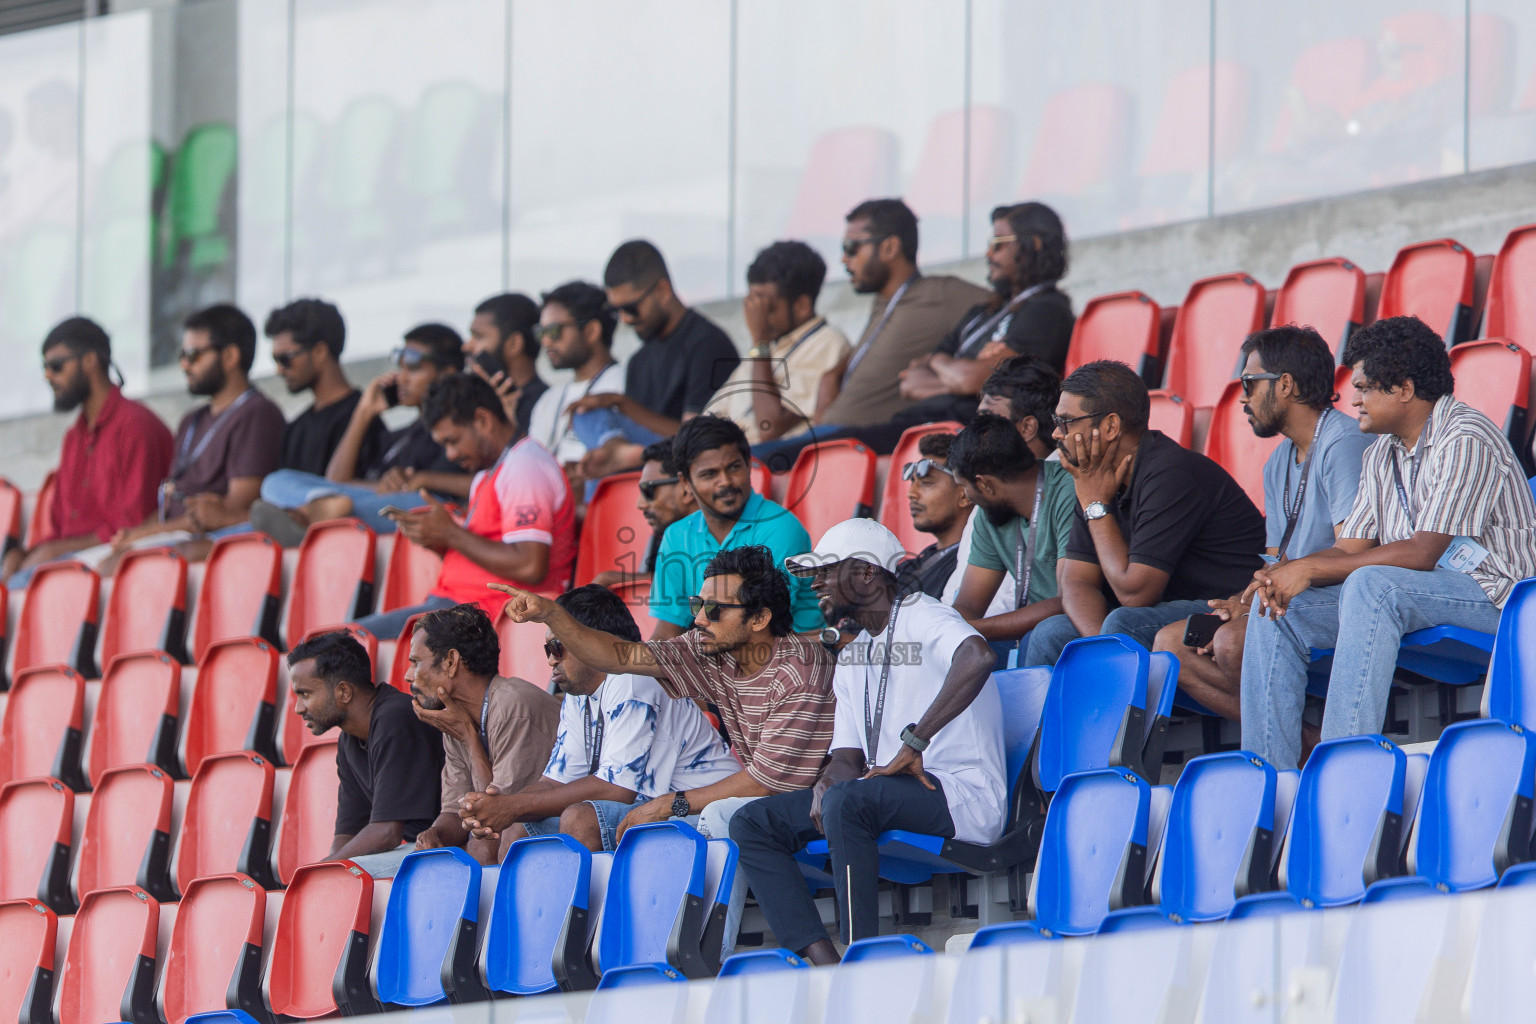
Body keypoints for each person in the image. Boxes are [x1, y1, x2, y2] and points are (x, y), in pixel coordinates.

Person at [1242, 316, 1536, 770]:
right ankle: (1268, 779)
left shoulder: (1465, 436)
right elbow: (1349, 550)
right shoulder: (1384, 451)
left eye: (1363, 387)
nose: (1352, 399)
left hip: (1500, 597)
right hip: (1426, 591)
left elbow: (1422, 553)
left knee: (1373, 585)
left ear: (1402, 389)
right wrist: (1284, 573)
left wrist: (1309, 569)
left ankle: (1346, 764)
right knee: (1276, 608)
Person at [730, 518, 1000, 963]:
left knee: (847, 802)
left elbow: (978, 655)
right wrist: (824, 782)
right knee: (752, 823)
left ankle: (863, 957)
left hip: (959, 794)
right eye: (812, 574)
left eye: (825, 571)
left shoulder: (923, 613)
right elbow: (847, 761)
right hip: (882, 793)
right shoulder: (854, 654)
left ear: (867, 573)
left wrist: (914, 742)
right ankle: (825, 965)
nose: (815, 583)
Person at [489, 543, 836, 843]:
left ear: (759, 618)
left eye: (714, 610)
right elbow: (617, 656)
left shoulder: (797, 671)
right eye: (697, 605)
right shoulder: (711, 651)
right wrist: (552, 613)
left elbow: (765, 783)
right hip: (749, 803)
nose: (700, 619)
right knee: (521, 831)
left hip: (810, 806)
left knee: (597, 819)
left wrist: (671, 802)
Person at [1151, 326, 1372, 730]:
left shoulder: (1343, 443)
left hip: (1341, 595)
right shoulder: (1276, 463)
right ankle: (1305, 744)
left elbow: (1355, 550)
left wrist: (1258, 600)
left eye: (1250, 383)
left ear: (1285, 384)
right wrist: (1240, 600)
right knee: (1171, 645)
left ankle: (1291, 750)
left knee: (1233, 642)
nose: (1243, 397)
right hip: (1289, 595)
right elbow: (1278, 560)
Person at [454, 585, 736, 854]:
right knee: (516, 831)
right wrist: (500, 806)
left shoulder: (634, 678)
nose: (551, 661)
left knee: (582, 819)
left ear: (588, 641)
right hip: (655, 807)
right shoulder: (579, 693)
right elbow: (554, 782)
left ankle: (583, 907)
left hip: (707, 812)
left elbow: (617, 789)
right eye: (548, 650)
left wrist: (514, 806)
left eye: (557, 647)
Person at [1024, 360, 1266, 667]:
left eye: (1066, 422)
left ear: (1110, 426)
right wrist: (1101, 645)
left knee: (1123, 624)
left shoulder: (1170, 472)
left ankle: (1128, 714)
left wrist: (1095, 506)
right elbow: (1075, 582)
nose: (1057, 435)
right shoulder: (1093, 477)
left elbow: (1135, 594)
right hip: (1159, 609)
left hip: (1228, 606)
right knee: (1050, 633)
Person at [752, 198, 990, 469]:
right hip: (827, 434)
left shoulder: (940, 292)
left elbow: (1009, 305)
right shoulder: (882, 301)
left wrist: (994, 355)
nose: (844, 258)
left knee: (749, 463)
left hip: (858, 440)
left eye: (852, 248)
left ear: (889, 247)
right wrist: (833, 376)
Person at [353, 372, 576, 640]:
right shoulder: (488, 473)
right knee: (334, 643)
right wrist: (439, 542)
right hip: (457, 609)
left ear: (482, 420)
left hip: (486, 619)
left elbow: (530, 566)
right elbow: (482, 552)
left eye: (453, 441)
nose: (450, 455)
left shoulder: (525, 466)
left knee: (340, 646)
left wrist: (451, 534)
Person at [249, 323, 470, 541]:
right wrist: (364, 412)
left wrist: (423, 479)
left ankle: (307, 516)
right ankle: (314, 511)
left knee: (348, 510)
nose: (401, 377)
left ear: (448, 374)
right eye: (400, 368)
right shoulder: (399, 435)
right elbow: (337, 481)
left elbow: (478, 483)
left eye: (413, 368)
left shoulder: (461, 426)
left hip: (428, 508)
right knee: (275, 481)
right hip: (373, 504)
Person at [106, 304, 286, 570]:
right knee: (106, 563)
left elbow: (232, 509)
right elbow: (173, 504)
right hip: (176, 536)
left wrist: (145, 535)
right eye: (182, 354)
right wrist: (136, 533)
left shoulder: (257, 413)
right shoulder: (192, 420)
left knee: (114, 568)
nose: (184, 364)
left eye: (193, 355)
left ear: (230, 356)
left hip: (212, 540)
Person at [4, 317, 172, 585]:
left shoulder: (136, 426)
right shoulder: (74, 437)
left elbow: (136, 524)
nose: (48, 376)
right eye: (45, 368)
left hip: (117, 558)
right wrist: (24, 554)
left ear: (90, 361)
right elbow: (59, 529)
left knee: (22, 585)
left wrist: (54, 552)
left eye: (56, 366)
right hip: (72, 561)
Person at [402, 604, 560, 865]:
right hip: (508, 833)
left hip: (549, 832)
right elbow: (454, 812)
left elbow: (497, 820)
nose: (409, 676)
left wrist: (469, 738)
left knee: (481, 846)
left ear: (451, 662)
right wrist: (434, 834)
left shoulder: (513, 708)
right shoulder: (455, 717)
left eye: (417, 662)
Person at [896, 203, 1075, 426]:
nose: (989, 253)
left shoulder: (1047, 311)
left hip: (973, 430)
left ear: (1033, 245)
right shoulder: (983, 311)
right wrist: (952, 373)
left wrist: (943, 367)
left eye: (997, 243)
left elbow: (968, 379)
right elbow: (909, 382)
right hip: (924, 420)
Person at [573, 241, 741, 478]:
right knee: (586, 412)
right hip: (645, 466)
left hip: (689, 466)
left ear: (662, 290)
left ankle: (619, 461)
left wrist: (622, 404)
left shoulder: (708, 344)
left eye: (630, 308)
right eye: (615, 311)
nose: (625, 320)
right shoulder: (638, 361)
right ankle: (615, 456)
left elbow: (698, 440)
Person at [648, 414, 822, 639]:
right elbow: (668, 631)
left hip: (789, 657)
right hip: (721, 658)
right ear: (685, 483)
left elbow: (759, 628)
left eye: (733, 467)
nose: (725, 481)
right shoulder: (677, 535)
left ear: (749, 465)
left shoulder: (780, 528)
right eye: (709, 474)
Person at [287, 630, 444, 878]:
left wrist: (321, 872)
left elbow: (387, 832)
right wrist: (323, 869)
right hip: (417, 849)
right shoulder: (348, 739)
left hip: (450, 847)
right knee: (332, 876)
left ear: (344, 692)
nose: (298, 708)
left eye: (306, 694)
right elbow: (346, 834)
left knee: (340, 877)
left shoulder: (395, 718)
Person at [948, 412, 1079, 654]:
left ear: (985, 484)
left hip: (1079, 623)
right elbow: (968, 604)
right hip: (1031, 631)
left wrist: (973, 629)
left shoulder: (1068, 490)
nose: (966, 496)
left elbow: (1068, 600)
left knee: (1044, 634)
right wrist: (952, 631)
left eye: (964, 486)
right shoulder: (990, 514)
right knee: (962, 649)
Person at [712, 241, 851, 443]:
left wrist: (760, 344)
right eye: (753, 304)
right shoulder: (770, 348)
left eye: (765, 306)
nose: (755, 315)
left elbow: (769, 426)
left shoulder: (828, 343)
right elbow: (711, 415)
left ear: (802, 306)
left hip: (765, 462)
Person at [265, 298, 374, 478]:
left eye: (285, 359)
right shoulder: (295, 429)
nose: (279, 370)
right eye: (275, 360)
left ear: (320, 351)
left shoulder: (364, 417)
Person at [524, 281, 624, 468]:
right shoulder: (548, 399)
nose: (545, 341)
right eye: (540, 332)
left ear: (591, 331)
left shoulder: (626, 386)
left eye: (554, 331)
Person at [589, 437, 697, 588]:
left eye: (648, 490)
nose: (640, 504)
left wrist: (614, 579)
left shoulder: (725, 535)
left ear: (685, 488)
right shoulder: (669, 536)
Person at [895, 433, 973, 601]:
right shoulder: (908, 567)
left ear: (965, 494)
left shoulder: (973, 566)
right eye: (912, 482)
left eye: (927, 483)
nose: (911, 493)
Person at [465, 292, 548, 435]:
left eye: (478, 336)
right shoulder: (482, 401)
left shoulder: (545, 406)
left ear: (514, 344)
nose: (467, 347)